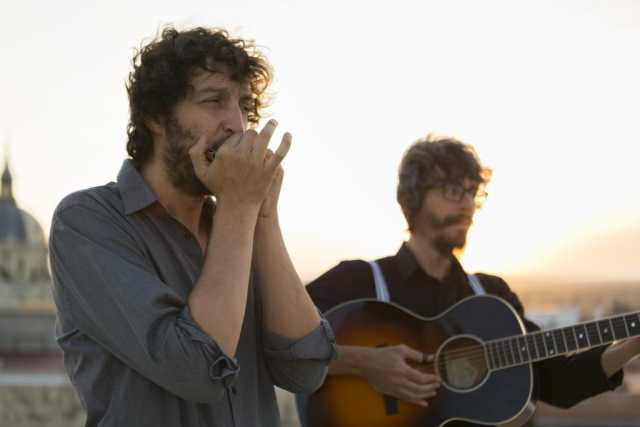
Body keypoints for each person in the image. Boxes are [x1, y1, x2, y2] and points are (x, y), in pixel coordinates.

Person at [49, 26, 335, 427]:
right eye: (214, 100)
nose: (237, 124)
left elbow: (305, 370)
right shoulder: (88, 221)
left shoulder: (238, 224)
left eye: (244, 105)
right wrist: (238, 209)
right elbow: (198, 370)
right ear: (155, 117)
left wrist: (263, 218)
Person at [298, 134, 640, 426]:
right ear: (413, 197)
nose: (466, 204)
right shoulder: (359, 281)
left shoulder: (493, 296)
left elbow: (559, 381)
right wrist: (367, 363)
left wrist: (629, 345)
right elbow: (280, 343)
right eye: (451, 190)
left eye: (471, 192)